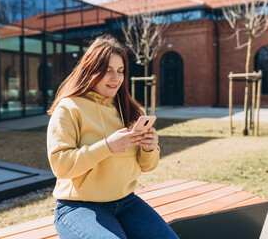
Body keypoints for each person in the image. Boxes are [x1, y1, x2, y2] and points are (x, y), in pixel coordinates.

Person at [47, 34, 179, 239]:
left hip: (127, 202)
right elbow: (61, 166)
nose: (116, 78)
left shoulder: (133, 111)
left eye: (120, 71)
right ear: (91, 70)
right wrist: (107, 146)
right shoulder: (69, 108)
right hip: (78, 207)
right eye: (108, 71)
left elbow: (147, 166)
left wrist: (149, 149)